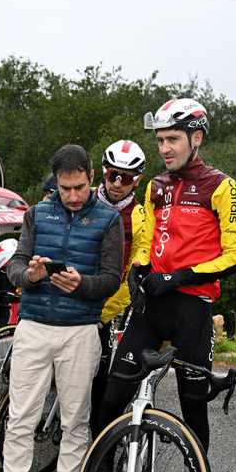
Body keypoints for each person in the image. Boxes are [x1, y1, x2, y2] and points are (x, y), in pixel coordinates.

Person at [95, 99, 236, 472]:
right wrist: (140, 267)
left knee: (192, 413)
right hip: (152, 305)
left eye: (173, 139)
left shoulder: (223, 187)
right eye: (160, 140)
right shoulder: (156, 185)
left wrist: (183, 274)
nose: (164, 148)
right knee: (112, 398)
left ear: (196, 138)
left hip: (192, 309)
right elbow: (150, 240)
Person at [0, 144, 123, 472]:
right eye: (64, 188)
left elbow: (111, 280)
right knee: (21, 414)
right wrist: (33, 276)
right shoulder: (36, 213)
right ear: (55, 182)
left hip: (81, 331)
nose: (72, 196)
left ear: (92, 178)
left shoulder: (109, 220)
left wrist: (83, 284)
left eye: (78, 187)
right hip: (35, 325)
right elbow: (16, 268)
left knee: (76, 418)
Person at [88, 140, 150, 435]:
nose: (116, 183)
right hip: (70, 300)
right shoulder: (81, 199)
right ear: (103, 170)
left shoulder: (139, 215)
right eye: (112, 173)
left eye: (125, 177)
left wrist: (104, 311)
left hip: (102, 306)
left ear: (137, 179)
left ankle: (97, 456)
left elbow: (135, 271)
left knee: (100, 386)